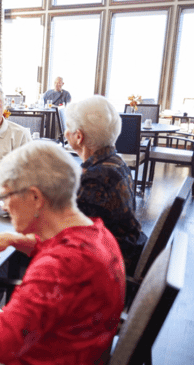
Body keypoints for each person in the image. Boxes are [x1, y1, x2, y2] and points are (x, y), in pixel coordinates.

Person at [0, 141, 125, 364]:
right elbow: (60, 246)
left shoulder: (57, 267)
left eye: (6, 196)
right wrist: (14, 239)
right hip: (75, 347)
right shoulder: (98, 234)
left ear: (35, 197)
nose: (4, 206)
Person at [64, 95, 146, 273]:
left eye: (68, 128)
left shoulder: (95, 179)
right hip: (120, 252)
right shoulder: (116, 163)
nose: (65, 133)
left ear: (79, 137)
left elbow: (68, 237)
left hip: (104, 269)